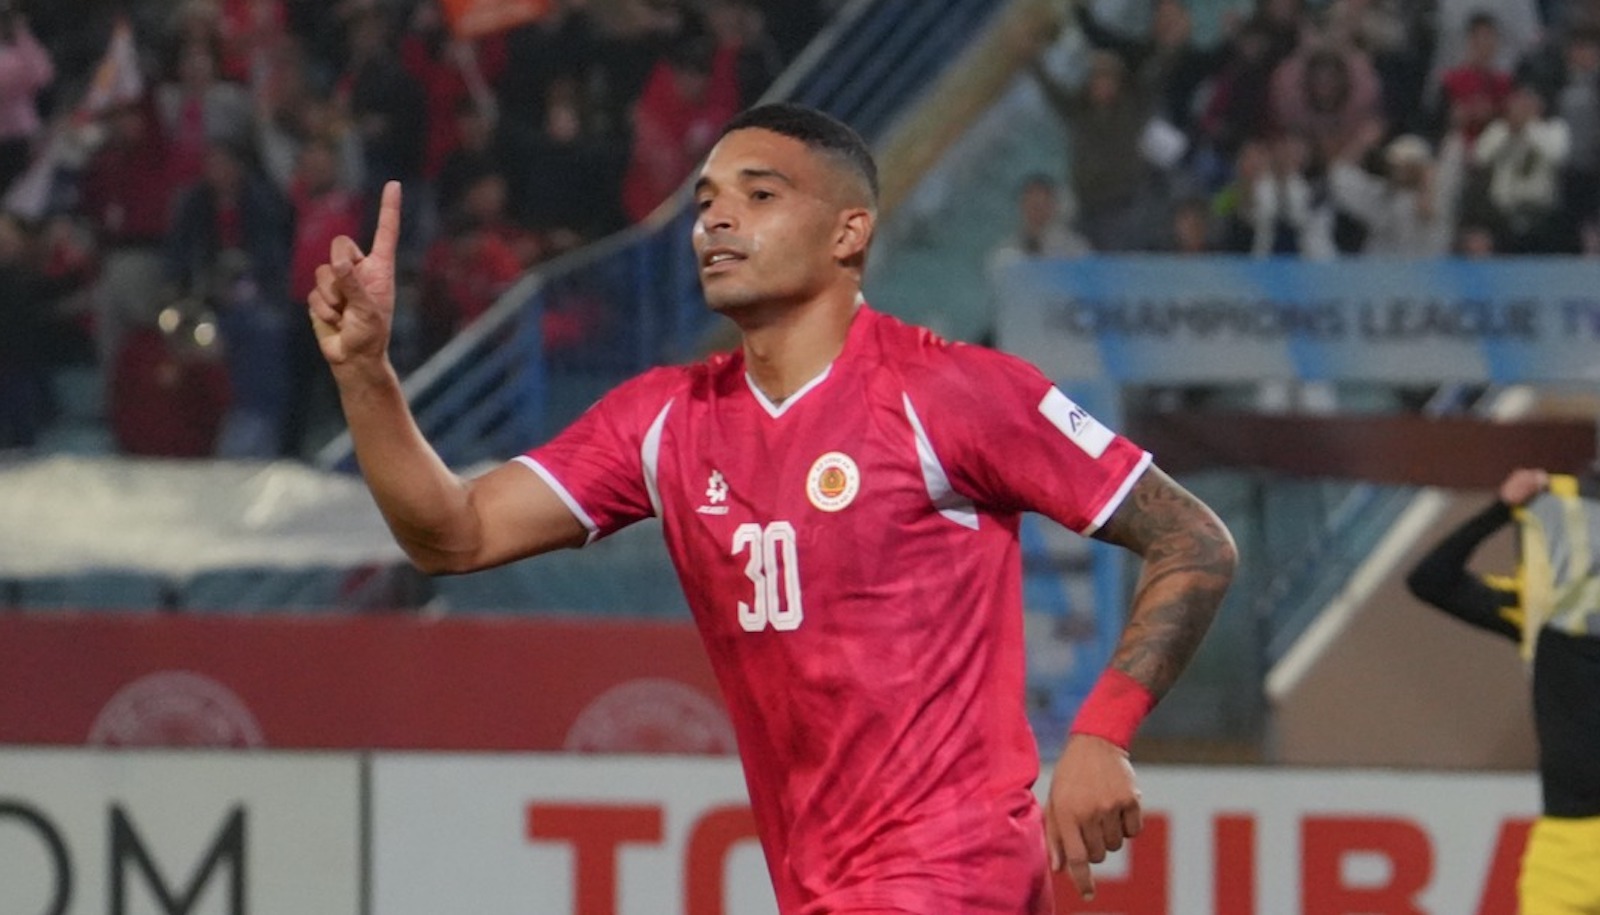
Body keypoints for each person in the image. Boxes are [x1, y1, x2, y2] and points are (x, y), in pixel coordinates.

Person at [307, 103, 1236, 911]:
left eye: (758, 195)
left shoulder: (951, 393)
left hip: (951, 874)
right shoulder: (664, 421)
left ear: (848, 233)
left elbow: (1193, 538)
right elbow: (454, 534)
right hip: (825, 885)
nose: (716, 219)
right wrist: (366, 375)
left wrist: (1103, 731)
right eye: (706, 200)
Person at [1406, 467, 1600, 914]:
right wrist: (1501, 509)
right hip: (1565, 852)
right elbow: (1430, 580)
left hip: (1565, 845)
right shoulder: (1536, 608)